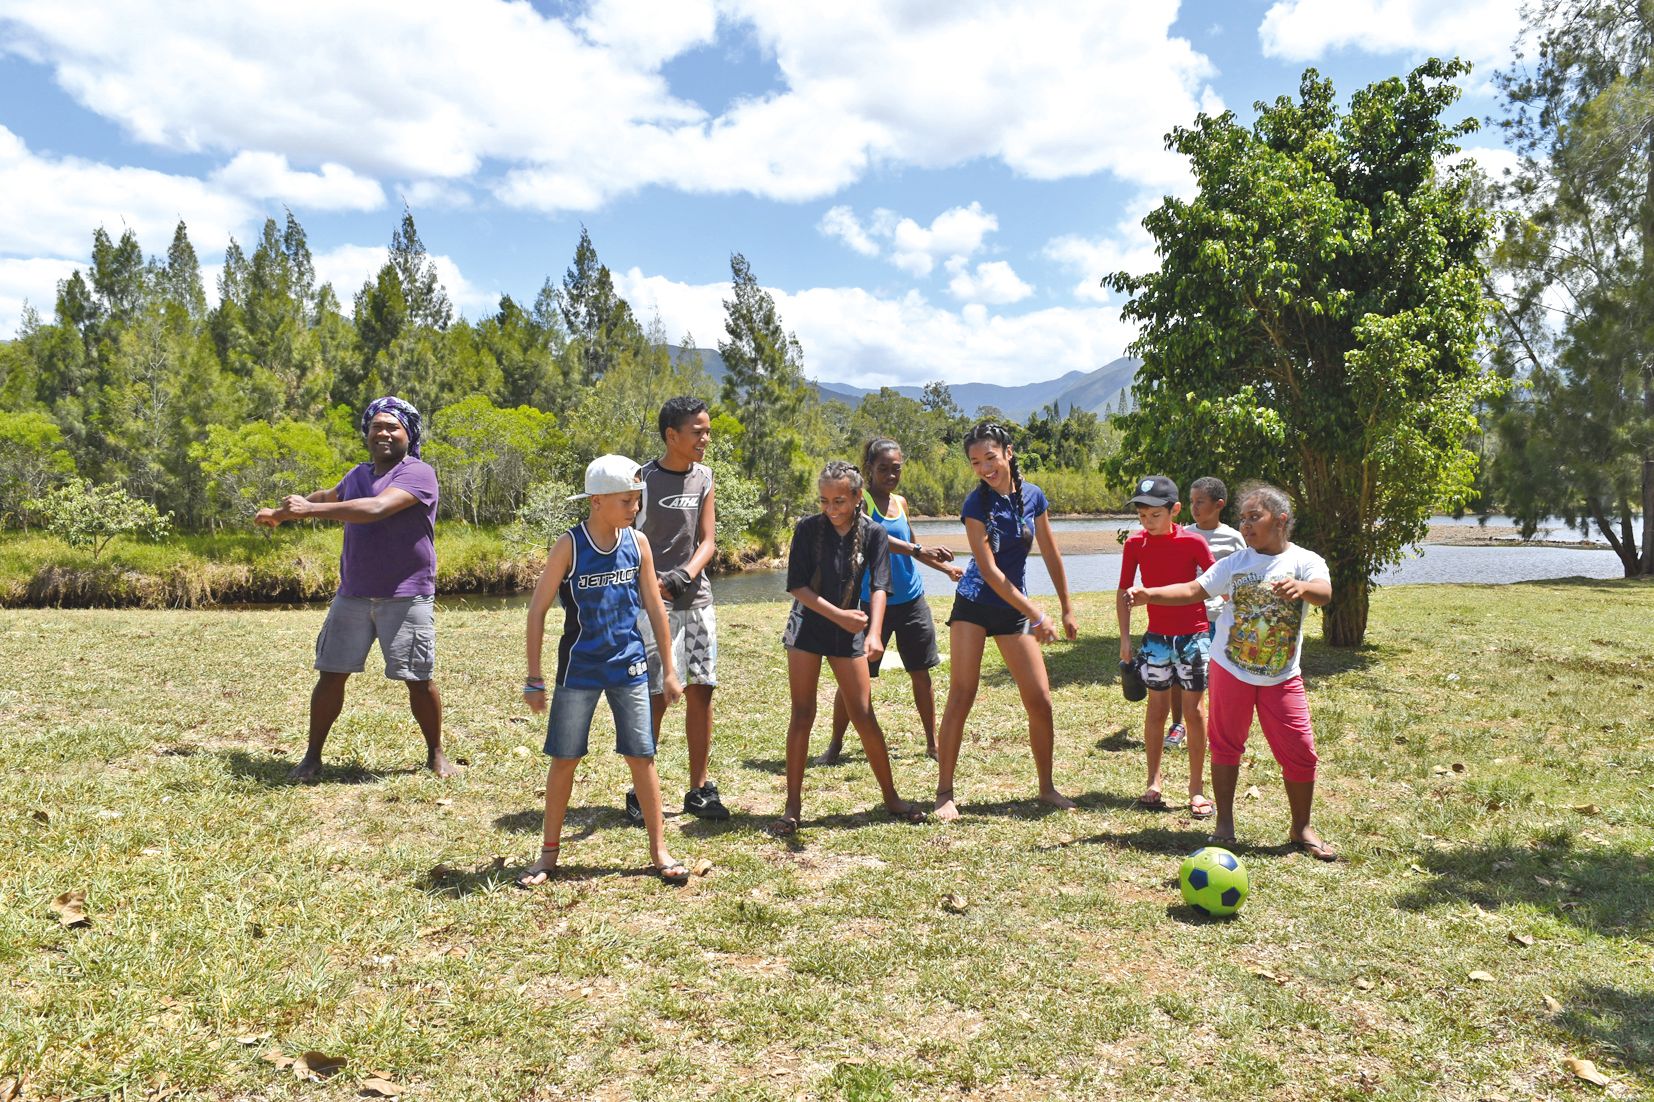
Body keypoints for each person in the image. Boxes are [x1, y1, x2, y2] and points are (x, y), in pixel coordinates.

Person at [1128, 483, 1337, 860]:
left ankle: (1301, 826)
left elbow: (1324, 592)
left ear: (1281, 519)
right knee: (1226, 746)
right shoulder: (1236, 563)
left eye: (1254, 517)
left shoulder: (1305, 561)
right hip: (1231, 670)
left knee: (1301, 751)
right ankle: (1224, 824)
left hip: (1281, 675)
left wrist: (1302, 587)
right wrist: (1149, 594)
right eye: (1242, 518)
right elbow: (1194, 589)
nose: (1246, 525)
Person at [255, 396, 456, 783]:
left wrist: (307, 511)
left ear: (408, 435)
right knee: (331, 674)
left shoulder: (418, 473)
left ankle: (436, 753)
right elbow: (329, 497)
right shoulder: (357, 475)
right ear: (366, 433)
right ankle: (312, 757)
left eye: (392, 427)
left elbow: (378, 508)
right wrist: (282, 514)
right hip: (354, 592)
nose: (383, 432)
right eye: (376, 426)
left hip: (406, 592)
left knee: (418, 678)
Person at [516, 455, 691, 887]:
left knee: (642, 757)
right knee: (565, 758)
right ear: (596, 501)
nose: (635, 508)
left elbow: (655, 606)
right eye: (627, 500)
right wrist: (534, 677)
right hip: (579, 669)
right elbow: (537, 611)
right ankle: (548, 855)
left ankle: (659, 851)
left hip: (629, 667)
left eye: (637, 500)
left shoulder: (638, 544)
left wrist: (668, 670)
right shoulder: (569, 546)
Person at [772, 460, 927, 835]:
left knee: (863, 714)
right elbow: (798, 587)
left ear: (858, 497)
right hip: (807, 627)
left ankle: (891, 798)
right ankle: (792, 807)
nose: (831, 509)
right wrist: (841, 616)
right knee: (803, 713)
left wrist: (874, 633)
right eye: (825, 501)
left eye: (839, 501)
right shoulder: (808, 530)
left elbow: (880, 586)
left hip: (850, 630)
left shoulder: (873, 533)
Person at [934, 422, 1079, 821]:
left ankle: (1047, 788)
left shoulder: (1033, 496)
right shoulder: (974, 505)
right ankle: (944, 793)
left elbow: (1050, 552)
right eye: (975, 462)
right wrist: (1037, 612)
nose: (984, 468)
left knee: (1041, 700)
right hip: (976, 605)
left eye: (990, 458)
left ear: (1008, 453)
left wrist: (1066, 606)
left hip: (1012, 608)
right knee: (962, 695)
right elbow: (990, 571)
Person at [817, 437, 963, 765]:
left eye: (896, 468)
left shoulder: (901, 502)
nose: (891, 474)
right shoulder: (861, 501)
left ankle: (932, 743)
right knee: (856, 679)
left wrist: (947, 569)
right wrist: (918, 550)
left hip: (911, 599)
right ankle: (835, 745)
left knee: (921, 672)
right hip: (870, 603)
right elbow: (880, 539)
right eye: (883, 468)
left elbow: (914, 546)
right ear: (869, 469)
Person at [626, 396, 727, 825]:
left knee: (701, 688)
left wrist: (684, 575)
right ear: (672, 436)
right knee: (657, 694)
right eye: (698, 432)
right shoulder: (641, 479)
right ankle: (639, 790)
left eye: (707, 430)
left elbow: (708, 540)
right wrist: (655, 584)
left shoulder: (704, 477)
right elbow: (627, 539)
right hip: (652, 602)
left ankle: (699, 789)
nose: (706, 438)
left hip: (696, 597)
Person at [1116, 475, 1216, 817]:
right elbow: (1124, 592)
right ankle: (1154, 781)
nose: (1147, 522)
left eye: (1155, 515)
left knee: (1194, 712)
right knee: (1156, 710)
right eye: (1142, 516)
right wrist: (1125, 639)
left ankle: (1197, 789)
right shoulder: (1135, 545)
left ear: (1174, 510)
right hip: (1156, 639)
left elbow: (1213, 583)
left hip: (1194, 637)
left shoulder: (1194, 544)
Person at [1167, 476, 1246, 747]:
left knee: (1217, 677)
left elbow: (1241, 579)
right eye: (1191, 502)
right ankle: (1178, 725)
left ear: (1219, 504)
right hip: (1187, 617)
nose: (1194, 507)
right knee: (1180, 675)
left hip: (1220, 619)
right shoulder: (1183, 534)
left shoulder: (1234, 538)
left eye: (1200, 502)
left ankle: (1214, 726)